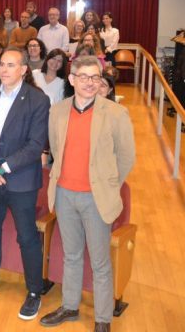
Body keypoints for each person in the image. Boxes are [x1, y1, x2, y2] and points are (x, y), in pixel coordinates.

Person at [40, 56, 135, 332]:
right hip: (64, 195)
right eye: (84, 77)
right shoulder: (57, 111)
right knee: (71, 255)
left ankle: (103, 319)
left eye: (95, 77)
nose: (90, 82)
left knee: (100, 261)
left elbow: (126, 157)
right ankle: (70, 306)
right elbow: (56, 149)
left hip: (96, 198)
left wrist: (107, 185)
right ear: (72, 79)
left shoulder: (115, 113)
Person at [0, 47, 50, 321]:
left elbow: (35, 145)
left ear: (24, 69)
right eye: (2, 64)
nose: (4, 69)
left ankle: (34, 292)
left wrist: (1, 168)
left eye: (11, 65)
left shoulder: (38, 100)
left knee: (26, 237)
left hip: (20, 181)